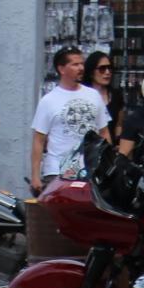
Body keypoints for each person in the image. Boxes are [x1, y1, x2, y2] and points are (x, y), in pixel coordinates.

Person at [29, 45, 107, 195]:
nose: (81, 68)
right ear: (61, 69)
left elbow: (104, 133)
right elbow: (38, 140)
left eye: (82, 64)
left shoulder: (94, 95)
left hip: (90, 170)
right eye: (75, 64)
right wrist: (35, 176)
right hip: (57, 171)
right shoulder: (48, 101)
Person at [85, 50, 120, 143]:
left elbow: (118, 124)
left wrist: (118, 141)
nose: (107, 72)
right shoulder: (82, 95)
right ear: (91, 72)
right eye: (102, 69)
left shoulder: (116, 95)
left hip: (109, 145)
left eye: (110, 68)